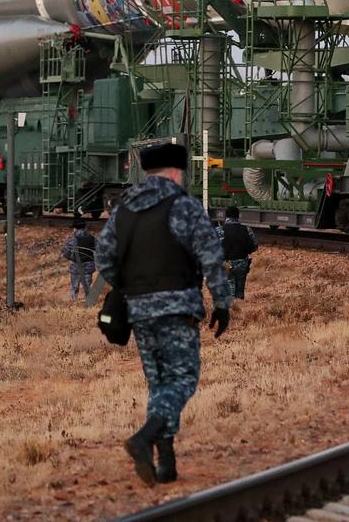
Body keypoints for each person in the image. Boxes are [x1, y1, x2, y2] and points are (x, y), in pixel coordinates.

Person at [94, 142, 232, 485]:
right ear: (176, 173)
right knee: (182, 380)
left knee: (158, 385)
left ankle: (166, 465)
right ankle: (144, 438)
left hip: (139, 311)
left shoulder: (124, 209)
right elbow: (211, 256)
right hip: (177, 308)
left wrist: (131, 285)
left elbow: (104, 259)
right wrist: (222, 302)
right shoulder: (183, 206)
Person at [218, 205, 258, 300]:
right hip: (242, 263)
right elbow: (255, 246)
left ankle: (231, 312)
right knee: (239, 292)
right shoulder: (247, 229)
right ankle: (239, 311)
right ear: (238, 216)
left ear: (226, 216)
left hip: (225, 264)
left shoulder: (219, 230)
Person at [62, 218, 97, 301]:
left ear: (75, 228)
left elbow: (66, 253)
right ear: (85, 227)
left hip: (76, 266)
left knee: (74, 286)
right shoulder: (92, 238)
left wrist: (71, 257)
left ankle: (73, 302)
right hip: (89, 266)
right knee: (87, 285)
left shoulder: (72, 240)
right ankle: (89, 302)